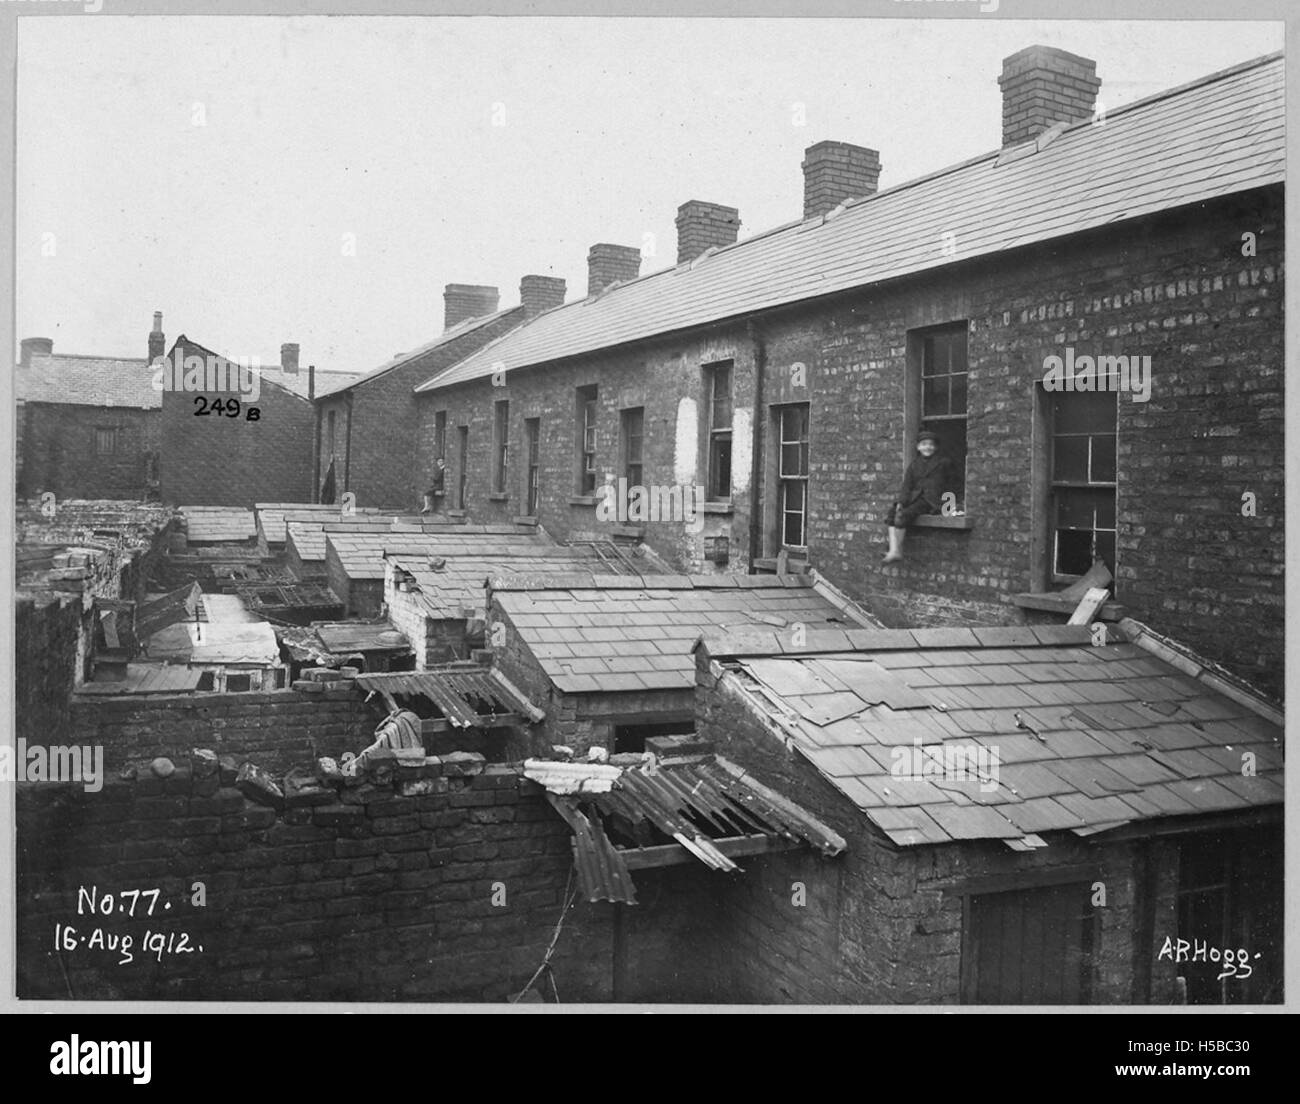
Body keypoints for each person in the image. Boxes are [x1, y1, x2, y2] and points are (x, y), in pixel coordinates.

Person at [883, 431, 951, 563]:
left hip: (931, 500)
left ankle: (897, 550)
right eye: (924, 444)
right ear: (918, 447)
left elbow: (953, 482)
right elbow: (907, 486)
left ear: (935, 447)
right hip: (915, 498)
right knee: (893, 513)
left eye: (931, 445)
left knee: (902, 516)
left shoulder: (944, 462)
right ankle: (893, 550)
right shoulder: (914, 465)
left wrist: (950, 503)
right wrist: (901, 502)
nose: (928, 447)